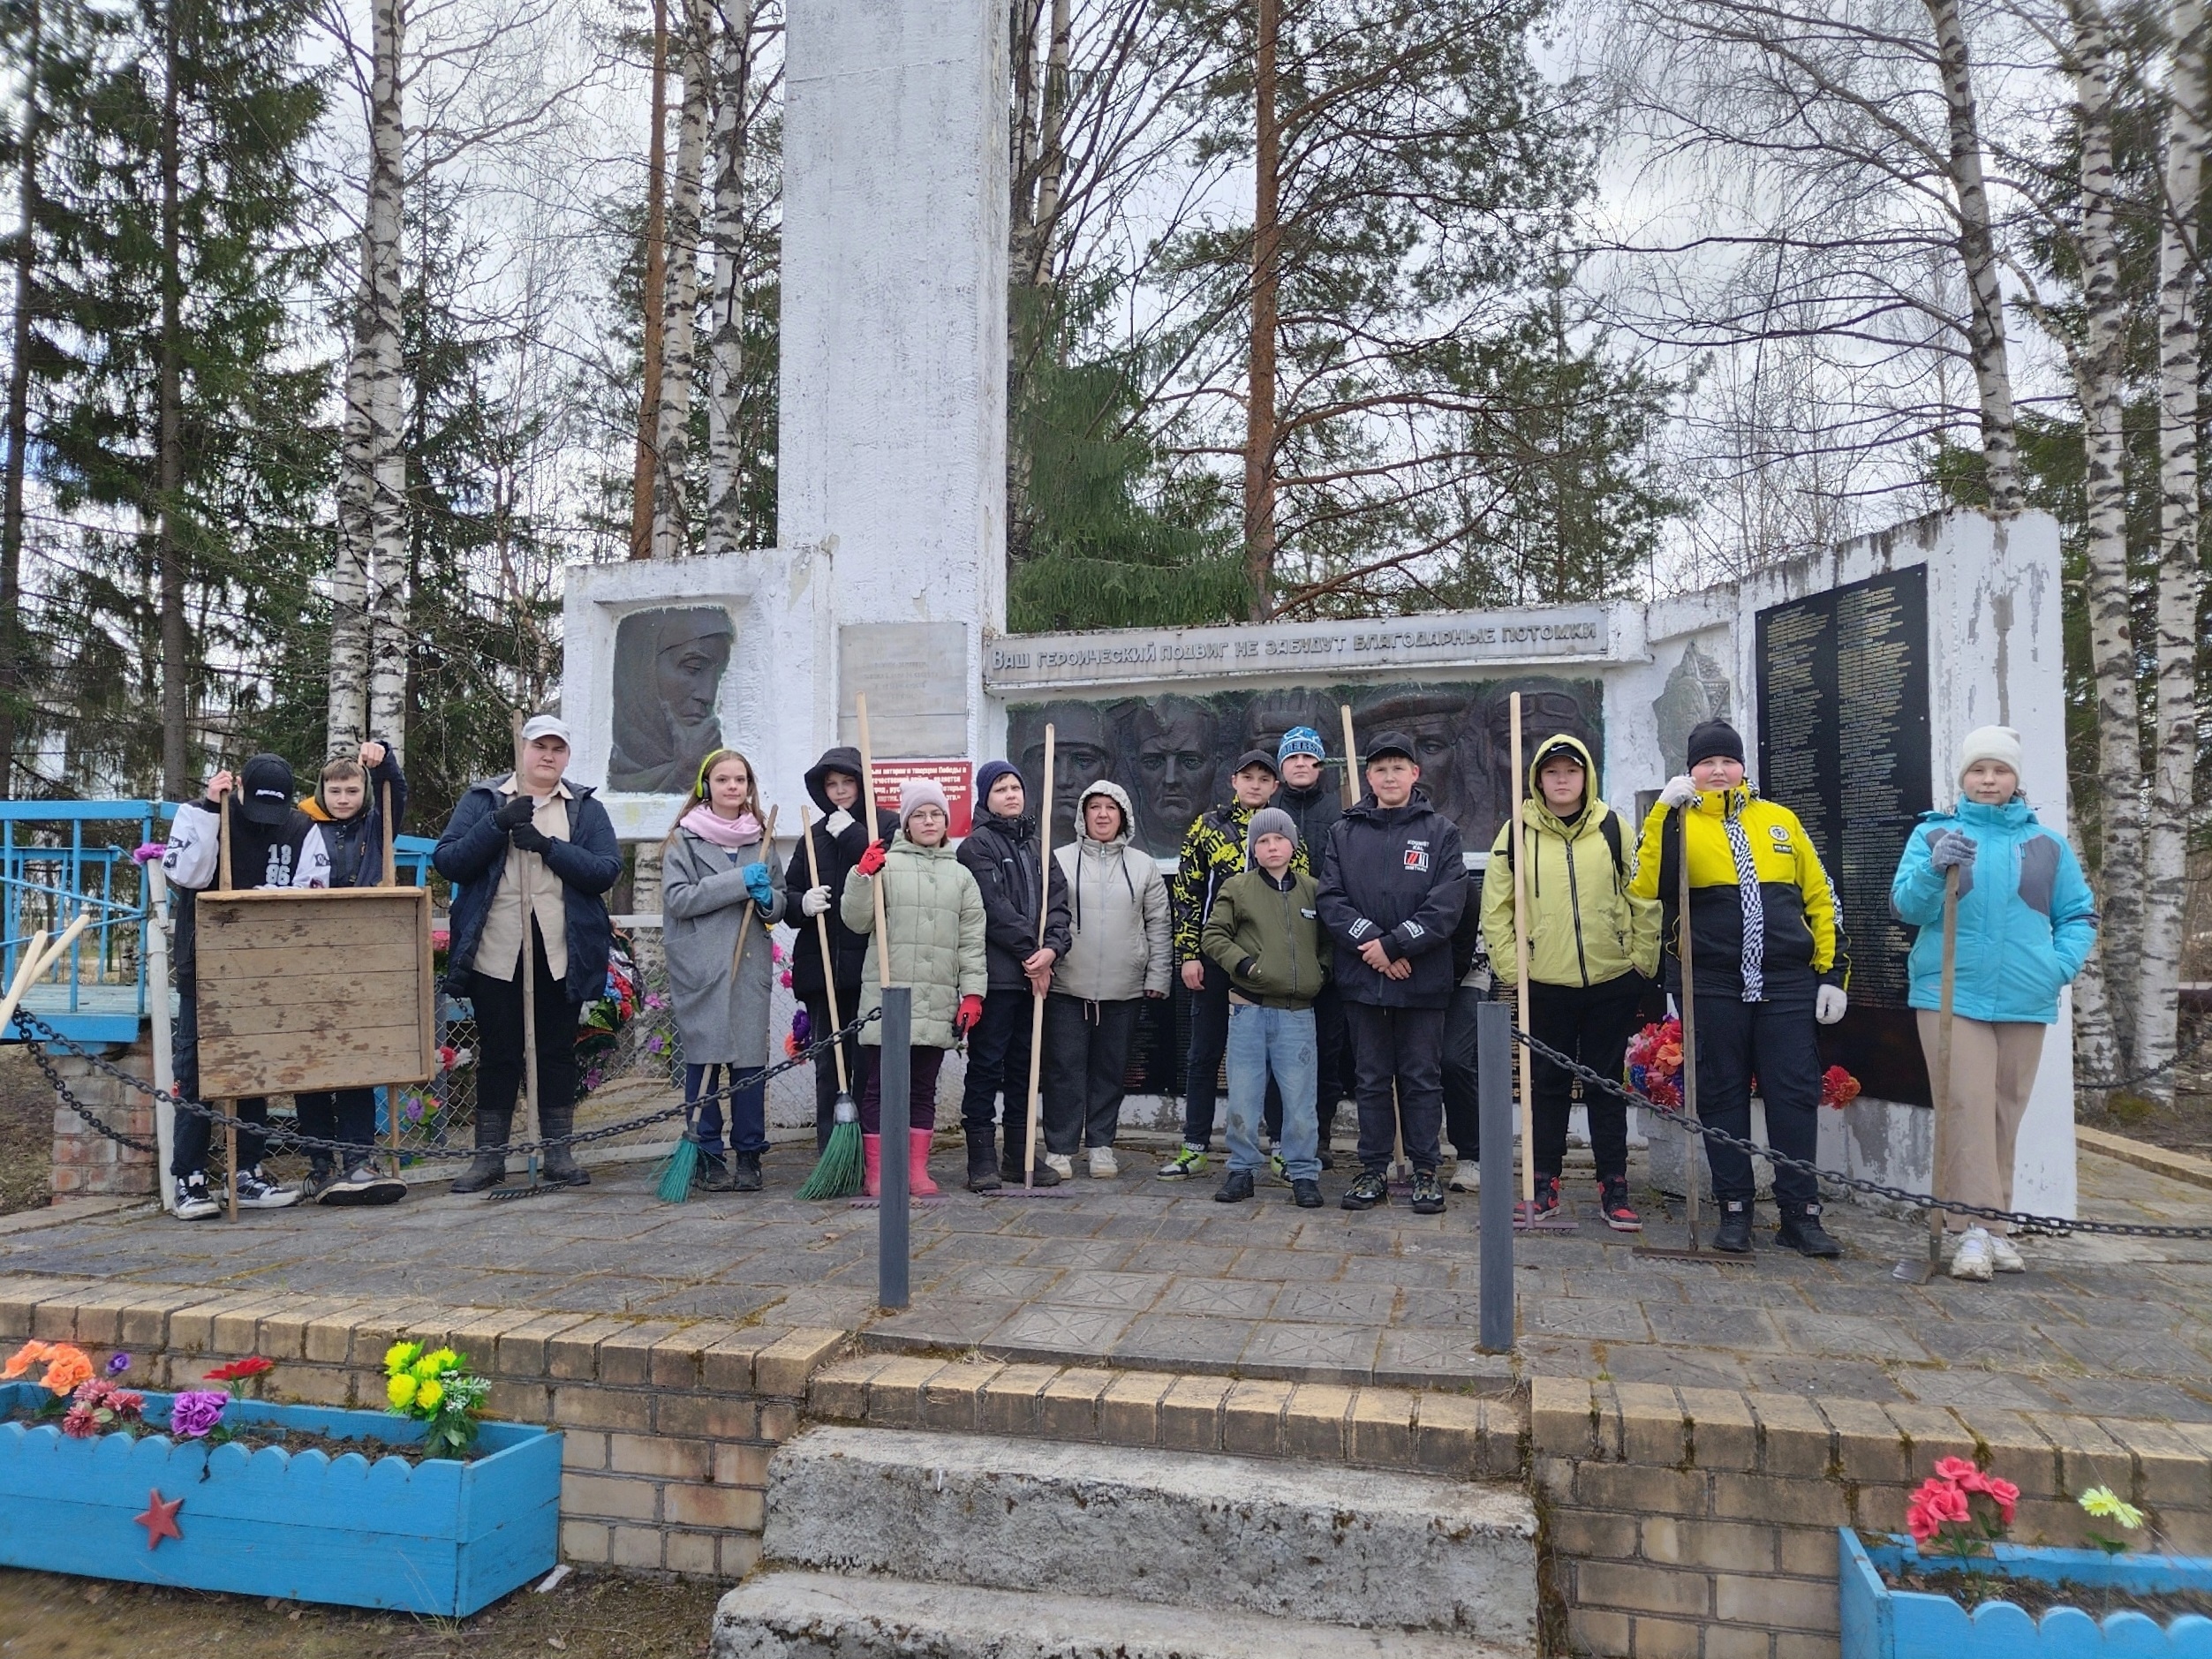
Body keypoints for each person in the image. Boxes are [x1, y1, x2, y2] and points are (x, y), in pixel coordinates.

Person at [1629, 718, 1848, 1256]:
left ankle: (1801, 1214)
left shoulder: (1780, 820)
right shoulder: (1676, 820)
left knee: (1792, 1094)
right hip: (1712, 980)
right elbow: (1643, 883)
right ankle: (1734, 1209)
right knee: (1722, 1091)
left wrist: (1831, 972)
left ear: (1742, 766)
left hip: (1787, 983)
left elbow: (1822, 898)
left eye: (1728, 761)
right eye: (1707, 762)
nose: (1719, 770)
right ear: (1691, 770)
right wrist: (1663, 811)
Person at [1891, 726, 2096, 1281]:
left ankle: (1984, 1227)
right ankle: (1980, 1231)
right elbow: (1906, 906)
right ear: (1962, 777)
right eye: (1978, 770)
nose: (1988, 780)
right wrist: (1937, 871)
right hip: (1950, 991)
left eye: (1999, 770)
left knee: (2004, 1110)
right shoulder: (1934, 836)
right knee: (1967, 1106)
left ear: (2015, 779)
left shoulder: (2048, 845)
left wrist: (2058, 966)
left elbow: (2078, 914)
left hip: (2025, 996)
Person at [435, 715, 623, 1194]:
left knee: (557, 1051)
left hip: (561, 948)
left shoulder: (584, 808)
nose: (548, 756)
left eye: (558, 749)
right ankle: (488, 1158)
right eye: (540, 746)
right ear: (522, 748)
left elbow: (605, 871)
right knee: (500, 1052)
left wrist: (547, 847)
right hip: (496, 946)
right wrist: (497, 824)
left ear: (567, 756)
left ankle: (557, 1152)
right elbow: (449, 860)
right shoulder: (484, 799)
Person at [1481, 735, 1660, 1230]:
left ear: (1587, 777)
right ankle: (1544, 1183)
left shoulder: (1613, 828)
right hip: (1546, 980)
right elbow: (1496, 907)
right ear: (1538, 778)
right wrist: (1514, 969)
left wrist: (1642, 958)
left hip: (1611, 977)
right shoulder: (1516, 832)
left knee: (1605, 1085)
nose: (1562, 780)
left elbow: (1643, 894)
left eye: (1572, 771)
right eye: (1553, 772)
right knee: (1548, 1085)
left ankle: (1614, 1185)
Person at [161, 753, 331, 1219]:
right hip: (208, 965)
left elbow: (315, 888)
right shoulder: (200, 813)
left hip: (266, 971)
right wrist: (212, 814)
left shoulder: (300, 828)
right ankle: (189, 1179)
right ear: (238, 791)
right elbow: (186, 874)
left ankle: (247, 1171)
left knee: (254, 1070)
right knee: (196, 1070)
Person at [1317, 731, 1466, 1215]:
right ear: (1369, 776)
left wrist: (1396, 944)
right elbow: (1331, 901)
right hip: (1364, 981)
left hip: (1422, 981)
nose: (1389, 776)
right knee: (1372, 1079)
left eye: (1398, 767)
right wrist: (1374, 946)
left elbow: (1446, 905)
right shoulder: (1344, 831)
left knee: (1422, 1078)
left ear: (1414, 774)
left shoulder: (1441, 831)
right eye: (1380, 768)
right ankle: (1372, 1169)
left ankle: (1425, 1171)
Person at [842, 779, 989, 1198]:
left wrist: (973, 993)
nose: (928, 821)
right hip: (887, 998)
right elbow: (856, 920)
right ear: (905, 823)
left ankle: (915, 1170)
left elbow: (971, 942)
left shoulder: (961, 877)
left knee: (923, 1088)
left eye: (936, 814)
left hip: (937, 999)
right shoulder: (887, 866)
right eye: (919, 815)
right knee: (880, 1089)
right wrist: (861, 876)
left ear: (946, 822)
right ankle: (879, 1173)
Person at [1160, 750, 1296, 1180]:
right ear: (1233, 781)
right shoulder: (1208, 827)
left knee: (1274, 1057)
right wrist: (1188, 954)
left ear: (1276, 786)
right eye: (1247, 777)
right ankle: (1195, 1146)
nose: (1255, 785)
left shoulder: (1284, 830)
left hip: (1267, 964)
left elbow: (1300, 893)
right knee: (1204, 1054)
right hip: (1215, 959)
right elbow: (1186, 893)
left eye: (1264, 778)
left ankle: (1280, 1148)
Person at [663, 749, 786, 1193]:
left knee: (749, 1065)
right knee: (705, 1058)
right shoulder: (685, 840)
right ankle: (708, 1153)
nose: (732, 787)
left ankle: (750, 1154)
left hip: (747, 963)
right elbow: (678, 899)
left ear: (749, 787)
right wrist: (737, 883)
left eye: (740, 780)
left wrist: (768, 898)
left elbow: (779, 900)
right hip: (703, 965)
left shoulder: (762, 837)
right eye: (723, 780)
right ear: (705, 786)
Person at [294, 739, 411, 1205]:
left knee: (357, 1057)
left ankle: (359, 1158)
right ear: (323, 792)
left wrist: (384, 757)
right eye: (336, 791)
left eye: (352, 791)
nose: (344, 799)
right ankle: (320, 1164)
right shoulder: (303, 826)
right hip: (309, 956)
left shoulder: (377, 825)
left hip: (361, 952)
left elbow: (394, 790)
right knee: (313, 1060)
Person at [1203, 807, 1329, 1209]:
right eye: (1262, 841)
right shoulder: (1237, 888)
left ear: (1292, 844)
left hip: (1297, 1013)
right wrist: (1244, 965)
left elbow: (1328, 941)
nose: (1272, 847)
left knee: (1299, 1100)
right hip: (1249, 1010)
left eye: (1278, 839)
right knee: (1243, 1095)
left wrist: (1320, 972)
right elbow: (1213, 934)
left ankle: (1303, 1173)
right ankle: (1241, 1170)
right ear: (1253, 848)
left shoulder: (1314, 890)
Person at [1044, 780, 1170, 1177]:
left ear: (1124, 816)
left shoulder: (1143, 865)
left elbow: (1159, 925)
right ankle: (1060, 1148)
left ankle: (1101, 1145)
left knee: (1110, 1071)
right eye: (1094, 807)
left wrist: (1159, 975)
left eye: (1110, 808)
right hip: (1067, 985)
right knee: (1064, 1069)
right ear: (1083, 815)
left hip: (1124, 987)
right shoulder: (1060, 860)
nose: (1102, 814)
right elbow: (1046, 918)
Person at [957, 759, 1073, 1188]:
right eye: (1001, 788)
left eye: (1016, 787)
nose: (1011, 794)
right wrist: (1032, 955)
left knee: (1027, 1069)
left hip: (1035, 976)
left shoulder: (1039, 847)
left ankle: (1019, 1154)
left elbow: (1059, 904)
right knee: (987, 1066)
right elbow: (993, 908)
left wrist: (1052, 949)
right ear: (986, 797)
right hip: (998, 978)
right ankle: (982, 1159)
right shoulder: (977, 846)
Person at [787, 746, 890, 1150]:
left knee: (868, 1064)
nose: (840, 791)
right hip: (824, 965)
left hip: (869, 967)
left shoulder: (887, 826)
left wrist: (850, 834)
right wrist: (802, 903)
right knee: (829, 1063)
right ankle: (834, 1152)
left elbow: (883, 871)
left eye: (848, 782)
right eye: (832, 784)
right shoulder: (812, 837)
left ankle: (870, 1150)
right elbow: (789, 895)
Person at [1266, 726, 1348, 1169]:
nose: (1301, 763)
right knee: (1278, 1048)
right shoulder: (1267, 815)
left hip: (1331, 948)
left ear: (1321, 765)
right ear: (1281, 767)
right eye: (1292, 757)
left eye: (1309, 757)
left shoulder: (1342, 814)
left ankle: (1319, 1135)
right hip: (1281, 952)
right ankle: (1282, 1137)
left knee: (1327, 1049)